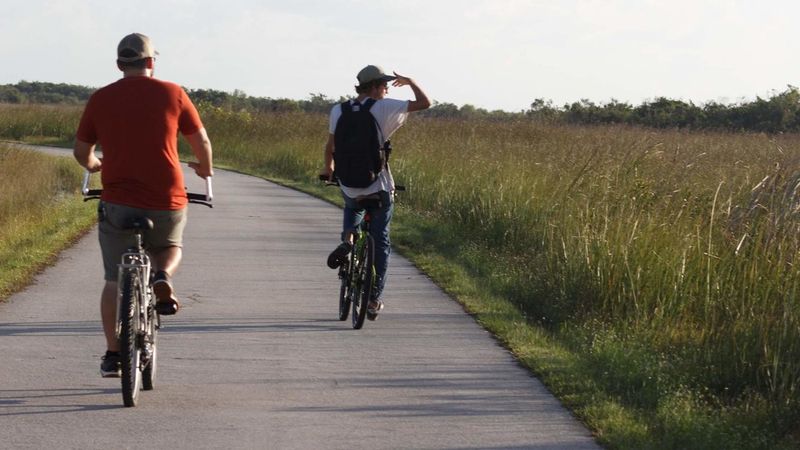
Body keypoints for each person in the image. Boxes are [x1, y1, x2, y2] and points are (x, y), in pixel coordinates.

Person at [73, 33, 213, 377]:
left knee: (112, 279)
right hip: (165, 198)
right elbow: (202, 142)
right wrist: (205, 168)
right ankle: (162, 275)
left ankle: (113, 355)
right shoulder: (173, 93)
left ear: (120, 64)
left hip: (118, 200)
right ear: (152, 61)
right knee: (169, 245)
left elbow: (82, 152)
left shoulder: (101, 98)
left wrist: (95, 165)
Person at [320, 65, 430, 320]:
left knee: (352, 205)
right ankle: (373, 299)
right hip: (378, 185)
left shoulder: (339, 110)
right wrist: (411, 81)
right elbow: (425, 103)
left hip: (349, 183)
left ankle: (347, 240)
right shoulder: (384, 107)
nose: (387, 88)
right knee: (380, 241)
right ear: (374, 87)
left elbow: (330, 146)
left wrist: (329, 170)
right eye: (384, 85)